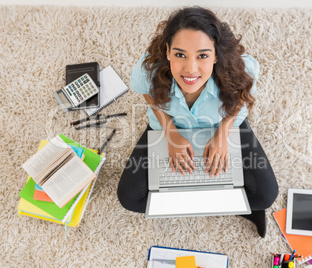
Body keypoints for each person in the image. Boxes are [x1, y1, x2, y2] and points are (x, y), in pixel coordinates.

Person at [117, 6, 278, 237]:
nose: (190, 69)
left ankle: (229, 203)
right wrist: (171, 133)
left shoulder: (239, 67)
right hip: (170, 125)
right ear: (168, 51)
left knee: (265, 196)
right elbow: (149, 96)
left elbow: (241, 96)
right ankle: (215, 201)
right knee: (130, 198)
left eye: (202, 55)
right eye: (180, 54)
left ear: (215, 55)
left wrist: (223, 133)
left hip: (222, 123)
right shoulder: (148, 69)